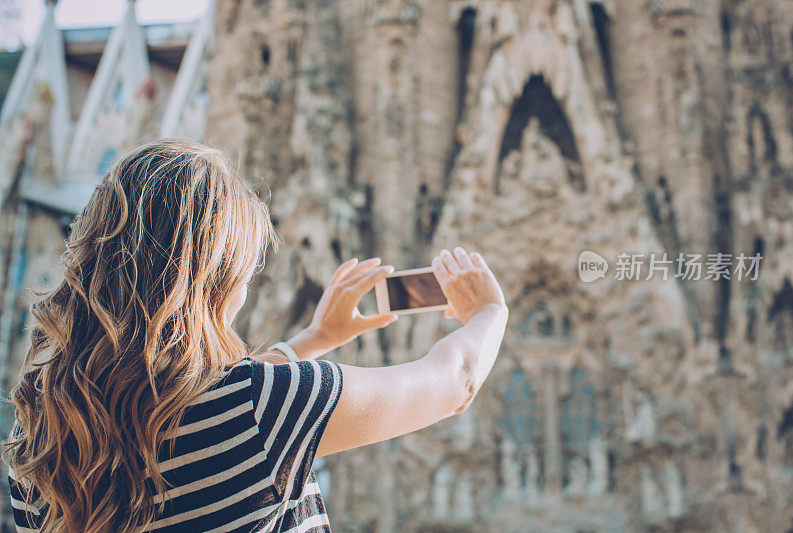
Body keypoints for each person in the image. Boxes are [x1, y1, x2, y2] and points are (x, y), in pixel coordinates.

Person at [3, 138, 508, 532]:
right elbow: (456, 380)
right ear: (216, 285)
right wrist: (489, 311)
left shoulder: (38, 440)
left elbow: (196, 404)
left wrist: (311, 340)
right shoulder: (263, 414)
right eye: (246, 273)